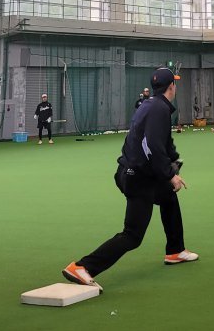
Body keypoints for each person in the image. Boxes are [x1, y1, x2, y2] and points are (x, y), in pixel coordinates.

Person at [62, 67, 198, 287]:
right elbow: (152, 145)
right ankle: (83, 267)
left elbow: (163, 143)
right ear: (171, 86)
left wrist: (173, 161)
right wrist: (169, 174)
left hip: (133, 171)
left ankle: (175, 250)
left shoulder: (151, 105)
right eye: (175, 83)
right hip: (138, 178)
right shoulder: (159, 109)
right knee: (133, 235)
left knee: (168, 197)